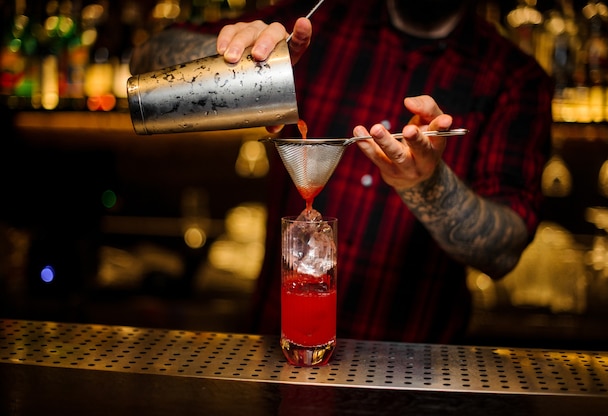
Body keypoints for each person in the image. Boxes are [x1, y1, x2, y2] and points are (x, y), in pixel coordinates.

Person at [130, 0, 553, 344]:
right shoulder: (314, 20)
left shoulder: (514, 78)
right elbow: (148, 59)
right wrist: (244, 57)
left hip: (413, 373)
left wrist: (429, 185)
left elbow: (503, 251)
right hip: (278, 358)